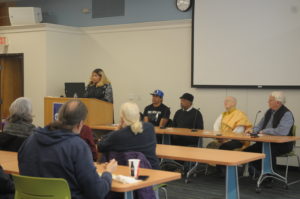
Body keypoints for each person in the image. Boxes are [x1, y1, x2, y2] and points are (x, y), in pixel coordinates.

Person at [18, 99, 118, 199]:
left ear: (59, 117)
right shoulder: (78, 147)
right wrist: (108, 173)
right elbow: (97, 192)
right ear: (80, 124)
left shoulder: (30, 140)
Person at [98, 102, 160, 170]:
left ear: (122, 118)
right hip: (153, 169)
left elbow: (101, 146)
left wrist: (117, 129)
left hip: (132, 173)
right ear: (138, 115)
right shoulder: (150, 127)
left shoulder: (118, 135)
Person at [244, 91, 294, 173]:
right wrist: (253, 130)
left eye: (270, 100)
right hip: (265, 142)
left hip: (282, 144)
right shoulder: (268, 112)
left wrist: (264, 131)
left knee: (268, 151)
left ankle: (269, 177)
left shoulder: (286, 114)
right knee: (247, 151)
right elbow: (260, 125)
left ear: (278, 102)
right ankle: (257, 170)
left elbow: (282, 131)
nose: (268, 102)